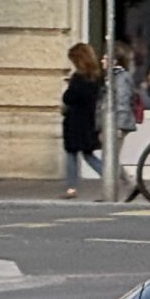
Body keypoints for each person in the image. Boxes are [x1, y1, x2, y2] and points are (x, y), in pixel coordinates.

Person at [62, 43, 105, 199]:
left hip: (75, 121)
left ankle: (71, 187)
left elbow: (68, 98)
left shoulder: (79, 78)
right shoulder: (96, 77)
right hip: (89, 121)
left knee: (71, 153)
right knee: (88, 155)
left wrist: (68, 88)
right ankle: (108, 176)